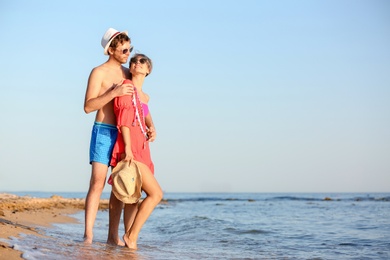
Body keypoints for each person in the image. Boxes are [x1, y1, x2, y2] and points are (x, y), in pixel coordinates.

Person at [83, 28, 134, 245]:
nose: (128, 53)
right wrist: (112, 93)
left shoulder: (128, 73)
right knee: (97, 182)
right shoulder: (98, 72)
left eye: (129, 49)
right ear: (111, 50)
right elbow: (88, 106)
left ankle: (113, 236)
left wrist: (149, 126)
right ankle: (88, 234)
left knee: (119, 186)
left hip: (125, 134)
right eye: (124, 49)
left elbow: (139, 103)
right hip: (103, 130)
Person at [109, 53, 163, 250]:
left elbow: (145, 114)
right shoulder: (126, 88)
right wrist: (128, 150)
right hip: (129, 146)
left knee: (133, 196)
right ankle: (131, 236)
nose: (136, 63)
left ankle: (128, 240)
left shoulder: (144, 96)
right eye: (134, 61)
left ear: (148, 70)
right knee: (156, 194)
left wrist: (153, 127)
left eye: (142, 61)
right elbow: (123, 121)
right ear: (130, 68)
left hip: (143, 147)